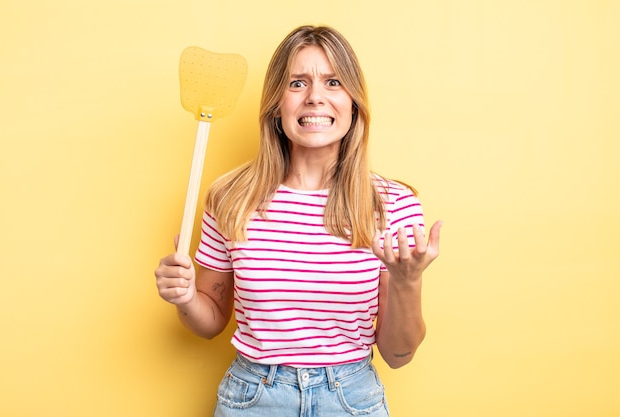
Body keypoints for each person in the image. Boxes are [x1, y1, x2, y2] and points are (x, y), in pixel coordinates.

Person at [155, 25, 442, 417]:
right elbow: (209, 322)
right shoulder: (231, 199)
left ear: (353, 103)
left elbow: (398, 354)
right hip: (253, 399)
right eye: (297, 83)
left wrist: (408, 282)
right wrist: (186, 298)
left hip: (351, 399)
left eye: (333, 82)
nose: (315, 98)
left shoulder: (391, 204)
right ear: (277, 104)